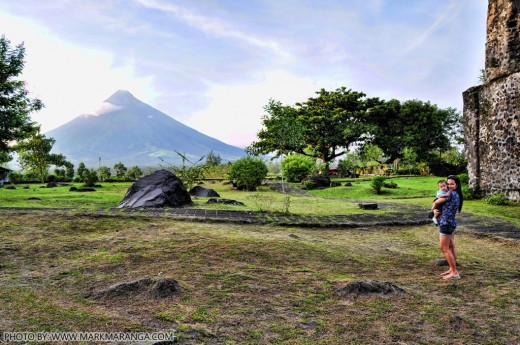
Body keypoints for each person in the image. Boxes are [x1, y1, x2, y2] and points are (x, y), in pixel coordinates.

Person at [432, 175, 463, 281]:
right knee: (450, 246)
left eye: (452, 184)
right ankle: (452, 268)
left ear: (456, 185)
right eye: (448, 183)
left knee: (444, 248)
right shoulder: (456, 194)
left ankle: (454, 272)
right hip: (451, 222)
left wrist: (433, 209)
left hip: (446, 223)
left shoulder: (449, 194)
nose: (449, 186)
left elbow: (436, 202)